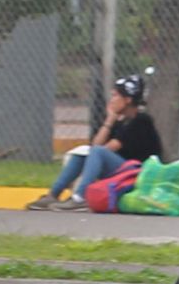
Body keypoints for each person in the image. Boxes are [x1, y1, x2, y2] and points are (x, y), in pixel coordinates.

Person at [26, 74, 163, 212]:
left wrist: (109, 121)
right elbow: (95, 145)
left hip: (139, 174)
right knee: (83, 154)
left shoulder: (141, 121)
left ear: (127, 100)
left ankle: (80, 198)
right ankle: (53, 195)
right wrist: (110, 120)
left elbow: (107, 148)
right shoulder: (120, 121)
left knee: (98, 151)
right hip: (123, 171)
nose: (112, 100)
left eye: (115, 96)